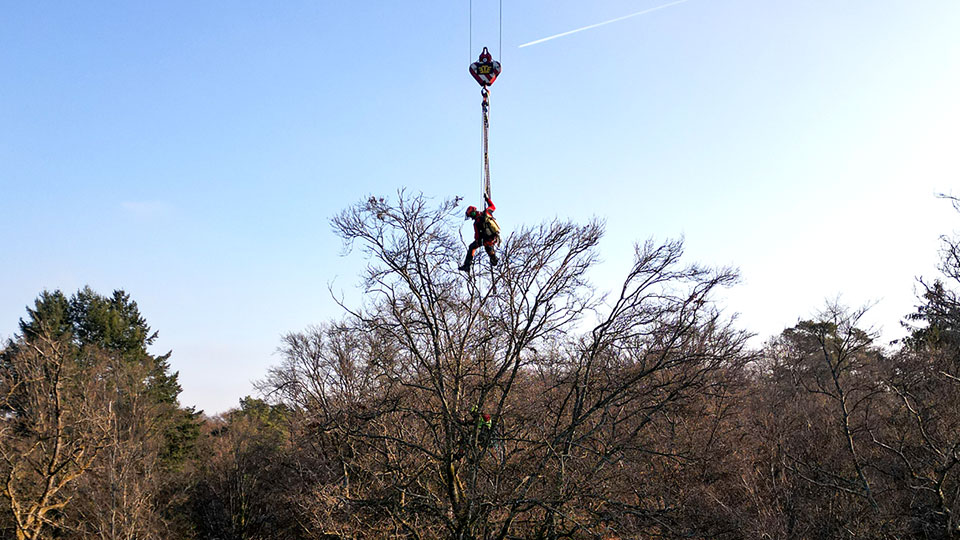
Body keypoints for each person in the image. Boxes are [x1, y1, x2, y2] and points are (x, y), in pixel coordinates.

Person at [459, 195, 500, 272]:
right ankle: (493, 258)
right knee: (488, 248)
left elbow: (477, 236)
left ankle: (467, 266)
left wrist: (478, 241)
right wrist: (487, 199)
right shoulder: (487, 213)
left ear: (473, 213)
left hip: (484, 240)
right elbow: (492, 206)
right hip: (493, 237)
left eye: (471, 215)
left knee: (472, 247)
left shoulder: (476, 222)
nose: (471, 217)